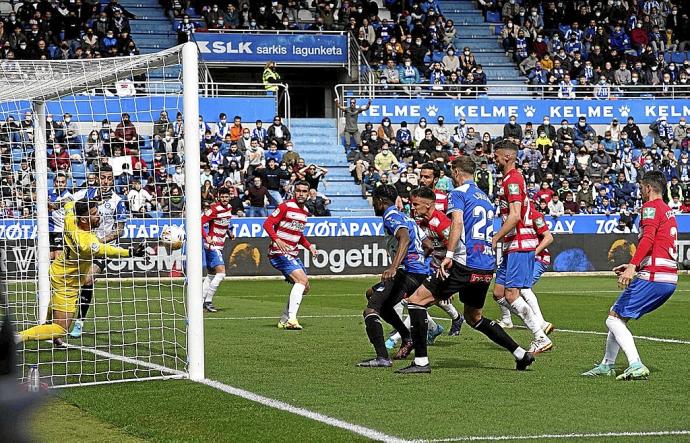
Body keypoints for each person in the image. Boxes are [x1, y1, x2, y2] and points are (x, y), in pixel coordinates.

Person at [396, 157, 534, 373]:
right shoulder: (485, 198)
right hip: (486, 265)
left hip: (464, 262)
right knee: (474, 317)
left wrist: (449, 255)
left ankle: (421, 362)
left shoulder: (458, 193)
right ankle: (520, 354)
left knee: (415, 302)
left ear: (457, 172)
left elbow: (457, 223)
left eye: (452, 171)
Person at [582, 171, 678, 381]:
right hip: (668, 276)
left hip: (655, 275)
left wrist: (633, 266)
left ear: (648, 188)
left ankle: (635, 363)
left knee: (612, 319)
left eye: (641, 187)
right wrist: (635, 264)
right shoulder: (667, 211)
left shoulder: (650, 207)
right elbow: (659, 243)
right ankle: (607, 364)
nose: (640, 191)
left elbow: (649, 238)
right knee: (618, 315)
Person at [17, 199, 146, 343]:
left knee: (56, 304)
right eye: (95, 214)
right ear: (84, 219)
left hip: (58, 270)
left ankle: (48, 325)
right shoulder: (86, 242)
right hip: (68, 283)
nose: (99, 217)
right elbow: (108, 250)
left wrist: (55, 205)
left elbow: (68, 202)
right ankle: (17, 338)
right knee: (61, 329)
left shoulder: (70, 218)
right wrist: (131, 252)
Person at [357, 184, 431, 368]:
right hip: (418, 272)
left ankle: (382, 358)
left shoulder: (390, 215)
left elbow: (404, 238)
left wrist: (394, 266)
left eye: (374, 202)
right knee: (372, 295)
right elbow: (428, 245)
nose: (373, 205)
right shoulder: (407, 217)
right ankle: (407, 337)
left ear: (381, 201)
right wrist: (420, 262)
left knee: (370, 310)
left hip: (407, 272)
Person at [384, 187, 465, 351]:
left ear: (428, 204)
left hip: (449, 266)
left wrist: (452, 277)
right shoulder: (418, 219)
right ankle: (434, 328)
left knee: (414, 301)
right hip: (433, 265)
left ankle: (396, 338)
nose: (412, 208)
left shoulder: (440, 222)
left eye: (415, 204)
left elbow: (458, 247)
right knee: (414, 301)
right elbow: (428, 246)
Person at [491, 140, 553, 354]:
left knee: (511, 294)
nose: (494, 159)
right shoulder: (509, 179)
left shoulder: (513, 179)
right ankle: (539, 326)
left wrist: (497, 236)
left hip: (520, 243)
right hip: (514, 244)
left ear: (507, 157)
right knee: (498, 292)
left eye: (496, 155)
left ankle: (540, 335)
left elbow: (516, 215)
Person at [69, 165, 127, 339]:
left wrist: (99, 242)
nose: (106, 182)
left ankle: (79, 322)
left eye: (109, 178)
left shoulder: (118, 201)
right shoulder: (86, 195)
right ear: (97, 178)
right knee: (71, 279)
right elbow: (67, 203)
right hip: (84, 245)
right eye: (103, 178)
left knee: (88, 279)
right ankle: (59, 317)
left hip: (103, 248)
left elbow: (120, 230)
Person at [262, 180, 318, 330]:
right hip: (279, 252)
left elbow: (299, 235)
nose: (301, 194)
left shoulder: (305, 211)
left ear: (309, 193)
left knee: (305, 287)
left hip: (292, 253)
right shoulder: (285, 206)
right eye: (298, 190)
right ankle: (292, 320)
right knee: (301, 280)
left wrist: (309, 246)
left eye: (304, 191)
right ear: (294, 191)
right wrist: (277, 239)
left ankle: (284, 319)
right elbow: (267, 223)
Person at [497, 208, 554, 335]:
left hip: (537, 259)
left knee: (522, 288)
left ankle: (541, 322)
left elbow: (548, 237)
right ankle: (507, 319)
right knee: (502, 288)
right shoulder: (510, 216)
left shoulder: (534, 215)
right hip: (517, 256)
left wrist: (534, 253)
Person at [199, 187, 235, 312]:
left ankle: (200, 302)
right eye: (223, 197)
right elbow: (198, 222)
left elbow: (225, 223)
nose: (225, 199)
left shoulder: (229, 208)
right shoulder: (214, 209)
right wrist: (206, 237)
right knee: (221, 273)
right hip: (212, 245)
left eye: (227, 196)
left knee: (210, 275)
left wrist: (229, 232)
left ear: (229, 197)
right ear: (219, 197)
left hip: (219, 245)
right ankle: (208, 301)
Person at [48, 173, 74, 260]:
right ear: (54, 183)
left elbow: (54, 206)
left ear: (66, 183)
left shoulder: (69, 197)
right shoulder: (49, 193)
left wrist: (48, 204)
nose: (60, 184)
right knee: (48, 258)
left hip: (60, 230)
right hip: (47, 230)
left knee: (58, 258)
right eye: (58, 182)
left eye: (62, 182)